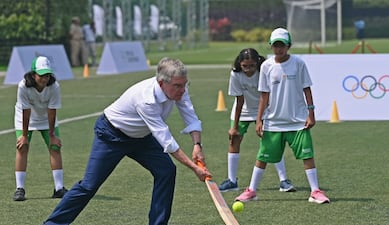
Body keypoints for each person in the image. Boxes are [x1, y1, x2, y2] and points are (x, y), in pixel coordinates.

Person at [42, 57, 211, 225]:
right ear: (161, 83)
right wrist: (194, 167)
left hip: (142, 138)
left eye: (184, 84)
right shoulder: (146, 99)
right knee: (89, 185)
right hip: (111, 135)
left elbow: (190, 117)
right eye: (178, 86)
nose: (182, 90)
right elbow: (166, 140)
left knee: (166, 171)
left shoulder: (178, 88)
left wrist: (197, 145)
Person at [235, 28, 330, 204]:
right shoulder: (266, 66)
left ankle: (315, 191)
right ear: (271, 46)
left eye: (282, 46)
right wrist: (259, 120)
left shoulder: (299, 64)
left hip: (298, 121)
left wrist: (311, 114)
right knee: (262, 157)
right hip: (273, 122)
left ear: (289, 46)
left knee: (307, 156)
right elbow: (264, 95)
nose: (279, 49)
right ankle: (252, 191)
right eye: (276, 46)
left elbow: (306, 89)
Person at [218, 48, 296, 193]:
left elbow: (266, 96)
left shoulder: (265, 70)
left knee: (272, 143)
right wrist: (234, 127)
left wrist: (260, 119)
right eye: (245, 66)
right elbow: (239, 101)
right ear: (239, 64)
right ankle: (232, 181)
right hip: (244, 111)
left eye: (252, 65)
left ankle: (284, 180)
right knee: (234, 141)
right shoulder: (236, 74)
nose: (248, 69)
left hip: (265, 109)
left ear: (257, 63)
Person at [13, 56, 68, 201]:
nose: (44, 79)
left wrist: (52, 135)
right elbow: (26, 111)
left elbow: (52, 110)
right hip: (24, 119)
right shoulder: (23, 86)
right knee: (22, 147)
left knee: (55, 147)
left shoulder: (54, 86)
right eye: (41, 75)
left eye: (47, 75)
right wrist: (24, 135)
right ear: (33, 74)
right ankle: (20, 189)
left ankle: (59, 188)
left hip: (46, 118)